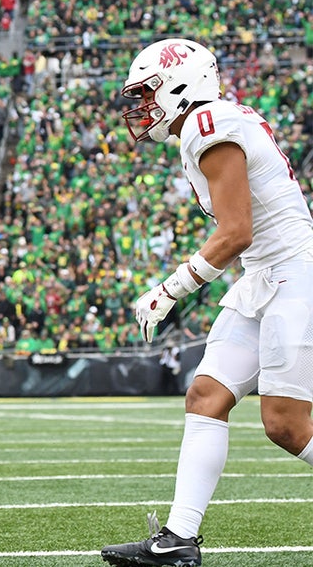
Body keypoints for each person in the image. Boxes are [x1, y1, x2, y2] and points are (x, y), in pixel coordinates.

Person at [101, 38, 313, 567]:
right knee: (205, 396)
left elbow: (237, 231)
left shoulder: (206, 124)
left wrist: (170, 289)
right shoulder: (208, 123)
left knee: (286, 425)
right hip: (266, 276)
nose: (141, 107)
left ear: (180, 85)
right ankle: (178, 540)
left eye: (148, 93)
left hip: (294, 273)